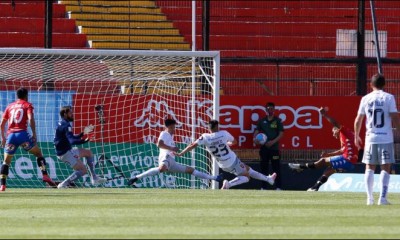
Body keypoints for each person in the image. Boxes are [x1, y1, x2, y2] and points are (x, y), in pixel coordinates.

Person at [177, 120, 276, 190]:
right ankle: (228, 184)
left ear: (209, 128)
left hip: (222, 165)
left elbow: (192, 145)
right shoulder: (223, 134)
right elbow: (235, 142)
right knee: (246, 177)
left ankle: (268, 179)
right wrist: (228, 144)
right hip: (232, 160)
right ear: (217, 127)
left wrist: (182, 153)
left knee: (247, 168)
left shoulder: (205, 137)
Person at [127, 118, 223, 187]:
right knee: (161, 168)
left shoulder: (169, 135)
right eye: (172, 128)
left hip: (172, 162)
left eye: (174, 127)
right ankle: (137, 177)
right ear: (167, 127)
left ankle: (214, 178)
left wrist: (174, 151)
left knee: (191, 170)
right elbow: (159, 144)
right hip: (166, 157)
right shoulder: (164, 133)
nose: (174, 129)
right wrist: (171, 148)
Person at [288, 107, 360, 191]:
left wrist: (324, 115)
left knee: (322, 161)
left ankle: (300, 167)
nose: (333, 135)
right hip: (351, 164)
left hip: (347, 160)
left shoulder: (344, 131)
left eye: (333, 132)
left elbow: (335, 123)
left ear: (337, 130)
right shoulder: (348, 137)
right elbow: (342, 151)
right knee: (328, 171)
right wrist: (328, 154)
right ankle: (315, 188)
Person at [354, 73, 400, 205]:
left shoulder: (366, 98)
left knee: (369, 167)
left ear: (371, 84)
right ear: (384, 84)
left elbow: (358, 119)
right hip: (385, 137)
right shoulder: (389, 98)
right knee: (385, 167)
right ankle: (383, 198)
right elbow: (395, 116)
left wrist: (357, 135)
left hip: (371, 138)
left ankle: (369, 199)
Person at [0, 88, 56, 191]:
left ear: (17, 96)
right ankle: (45, 175)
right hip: (22, 135)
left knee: (6, 162)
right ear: (26, 96)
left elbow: (2, 124)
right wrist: (34, 133)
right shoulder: (27, 105)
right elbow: (30, 119)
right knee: (38, 154)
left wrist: (3, 138)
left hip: (11, 136)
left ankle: (2, 185)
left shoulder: (9, 106)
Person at [54, 106, 107, 188]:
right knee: (83, 170)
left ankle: (94, 178)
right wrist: (85, 140)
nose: (72, 114)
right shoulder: (66, 125)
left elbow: (71, 138)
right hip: (65, 153)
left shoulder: (62, 123)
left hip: (67, 150)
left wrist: (82, 133)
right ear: (65, 114)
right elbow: (72, 141)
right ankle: (63, 184)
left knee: (88, 152)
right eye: (70, 113)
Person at [253, 102, 284, 190]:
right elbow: (256, 131)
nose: (270, 110)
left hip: (274, 149)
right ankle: (264, 187)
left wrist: (272, 142)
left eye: (271, 109)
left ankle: (278, 187)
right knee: (264, 168)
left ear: (274, 110)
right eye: (268, 109)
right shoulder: (262, 121)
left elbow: (281, 134)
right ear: (265, 110)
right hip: (264, 149)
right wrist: (255, 139)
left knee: (276, 168)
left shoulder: (278, 121)